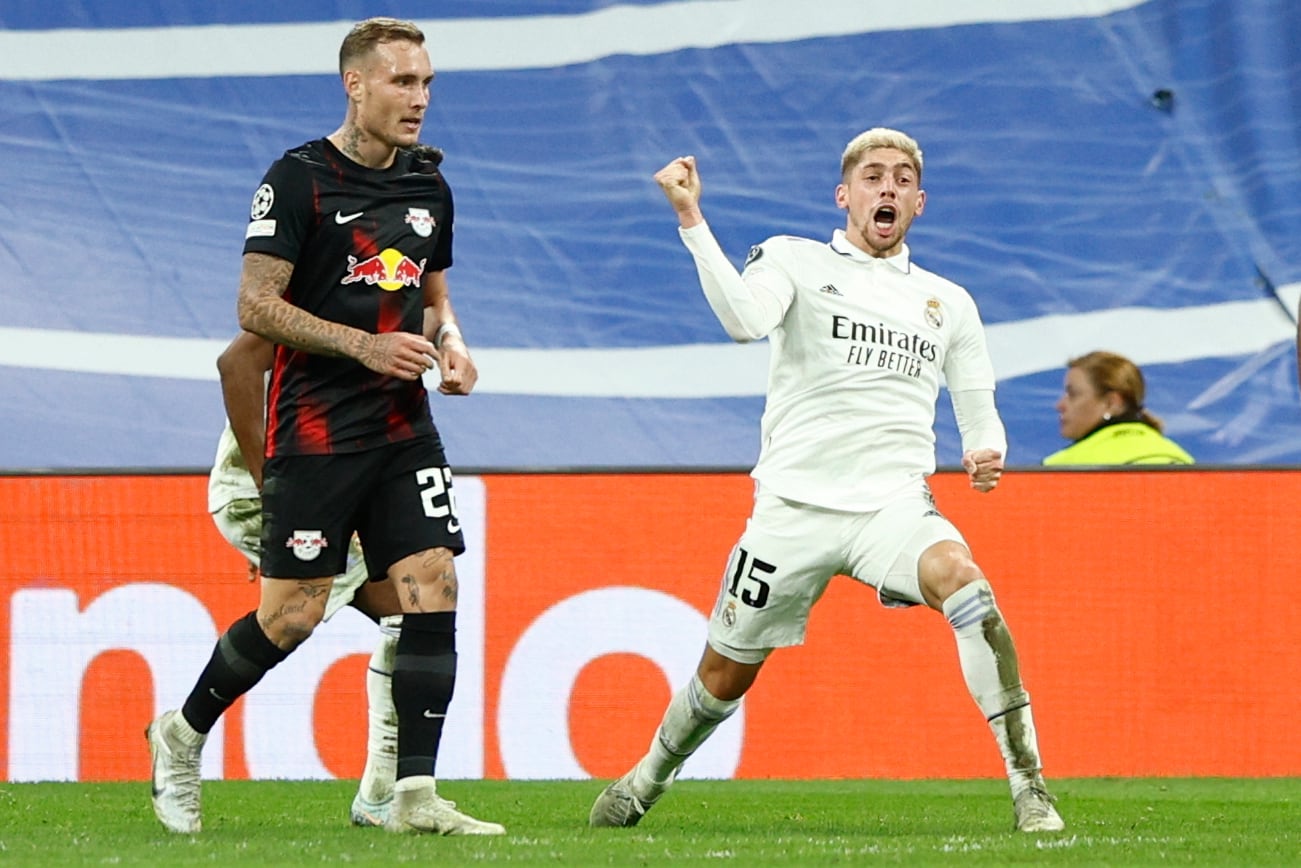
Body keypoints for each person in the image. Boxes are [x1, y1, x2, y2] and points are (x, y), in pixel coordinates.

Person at [589, 129, 1065, 833]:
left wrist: (985, 449)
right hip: (792, 509)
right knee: (724, 673)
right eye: (872, 177)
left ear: (918, 203)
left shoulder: (947, 302)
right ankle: (645, 779)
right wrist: (692, 219)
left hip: (893, 506)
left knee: (967, 585)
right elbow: (742, 321)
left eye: (902, 180)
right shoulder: (793, 260)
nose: (887, 189)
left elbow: (975, 400)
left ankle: (1029, 787)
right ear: (844, 195)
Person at [146, 17, 503, 836]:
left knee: (432, 587)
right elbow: (253, 308)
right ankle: (180, 733)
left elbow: (433, 293)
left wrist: (452, 347)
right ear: (355, 84)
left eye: (426, 84)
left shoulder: (428, 186)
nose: (418, 100)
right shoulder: (299, 178)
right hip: (314, 432)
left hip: (401, 428)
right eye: (401, 83)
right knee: (293, 615)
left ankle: (409, 797)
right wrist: (361, 345)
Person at [208, 330, 402, 827]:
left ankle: (381, 796)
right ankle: (182, 734)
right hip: (286, 487)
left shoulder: (397, 295)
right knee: (291, 620)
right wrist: (273, 499)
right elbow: (235, 364)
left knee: (411, 609)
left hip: (331, 488)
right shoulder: (324, 291)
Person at [1043, 351, 1193, 465]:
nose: (1060, 405)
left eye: (1073, 394)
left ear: (1111, 403)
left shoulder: (1059, 472)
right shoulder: (1181, 460)